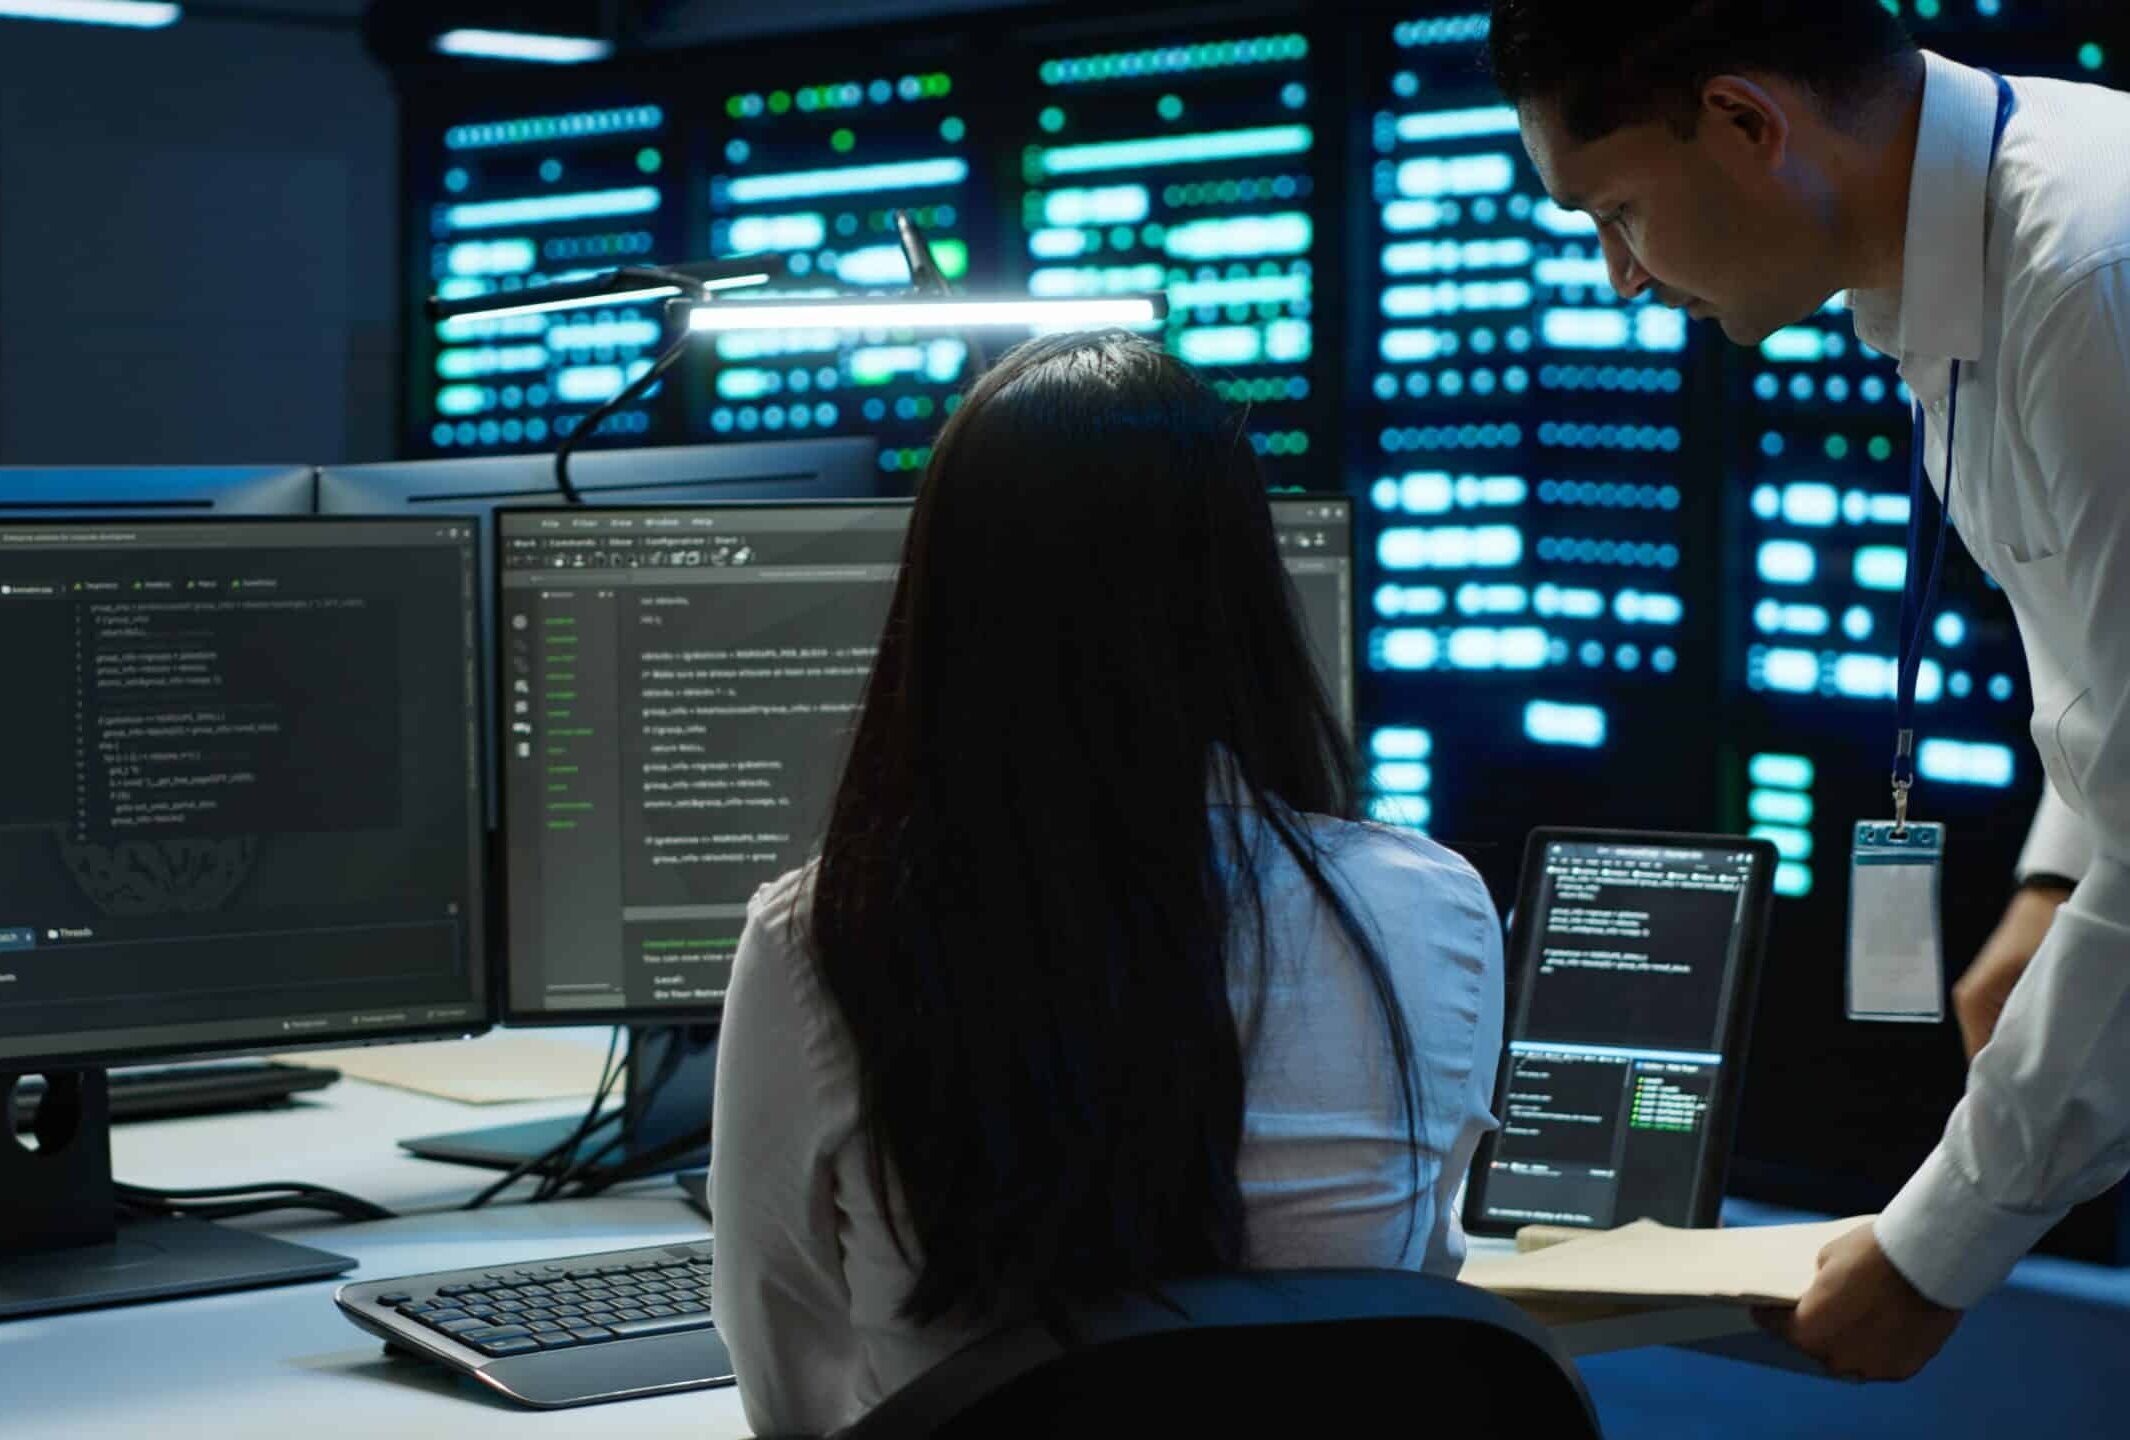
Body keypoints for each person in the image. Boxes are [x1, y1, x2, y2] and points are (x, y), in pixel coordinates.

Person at [1489, 0, 2130, 1381]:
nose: (1619, 276)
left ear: (1744, 122)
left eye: (1616, 212)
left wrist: (1935, 1246)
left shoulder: (2088, 272)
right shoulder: (1963, 262)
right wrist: (2057, 880)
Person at [707, 330, 1504, 1434]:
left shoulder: (822, 935)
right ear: (1245, 593)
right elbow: (1406, 1298)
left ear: (946, 606)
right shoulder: (1433, 908)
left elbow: (788, 1388)